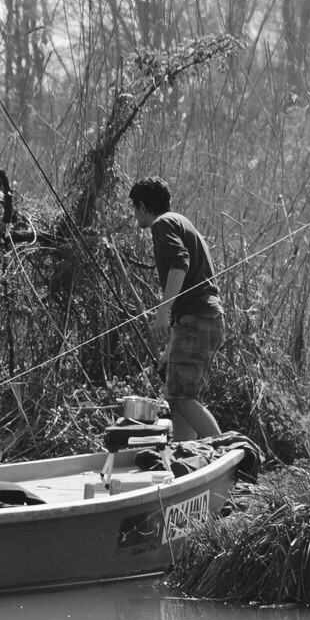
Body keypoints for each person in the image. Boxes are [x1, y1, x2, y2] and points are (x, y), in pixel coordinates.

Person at [129, 177, 224, 441]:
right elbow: (189, 291)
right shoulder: (181, 222)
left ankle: (228, 453)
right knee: (180, 397)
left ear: (142, 206)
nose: (135, 215)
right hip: (202, 318)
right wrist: (170, 350)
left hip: (197, 318)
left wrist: (162, 313)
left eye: (134, 208)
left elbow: (180, 263)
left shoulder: (162, 223)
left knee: (180, 396)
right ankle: (188, 458)